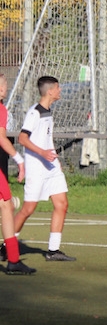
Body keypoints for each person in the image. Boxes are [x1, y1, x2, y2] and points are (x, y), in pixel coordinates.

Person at [12, 76, 75, 262]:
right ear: (50, 91)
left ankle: (53, 250)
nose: (60, 90)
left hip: (51, 167)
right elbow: (22, 138)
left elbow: (46, 138)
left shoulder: (48, 111)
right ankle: (7, 246)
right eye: (57, 88)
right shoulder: (35, 113)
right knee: (28, 209)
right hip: (36, 168)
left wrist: (54, 158)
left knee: (62, 204)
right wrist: (42, 153)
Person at [0, 74, 32, 274]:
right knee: (6, 205)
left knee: (6, 205)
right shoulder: (1, 109)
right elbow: (1, 138)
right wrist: (19, 160)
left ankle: (13, 259)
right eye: (4, 85)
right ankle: (13, 260)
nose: (5, 88)